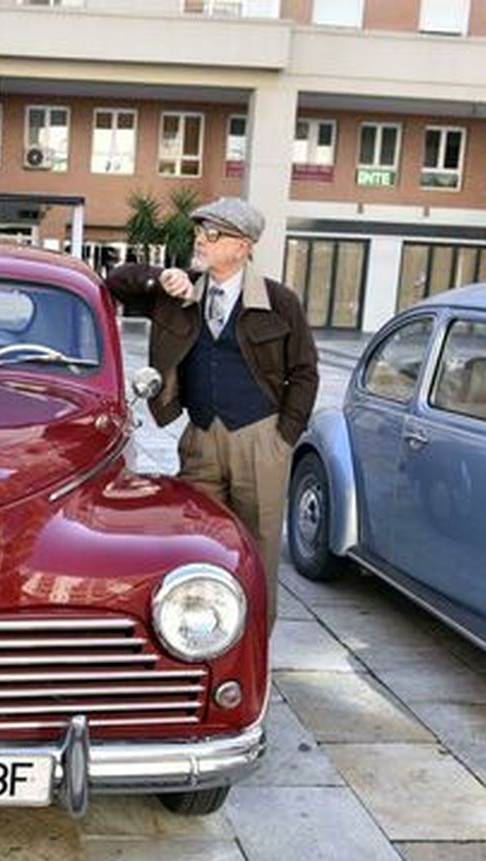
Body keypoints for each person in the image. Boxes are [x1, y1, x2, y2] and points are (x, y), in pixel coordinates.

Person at [106, 197, 319, 621]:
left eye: (213, 234)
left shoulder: (279, 301)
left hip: (260, 439)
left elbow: (305, 373)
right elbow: (115, 281)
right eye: (200, 232)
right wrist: (158, 278)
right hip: (200, 437)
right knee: (195, 545)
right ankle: (203, 642)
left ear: (243, 246)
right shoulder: (178, 290)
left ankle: (257, 646)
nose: (201, 240)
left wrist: (283, 439)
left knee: (257, 551)